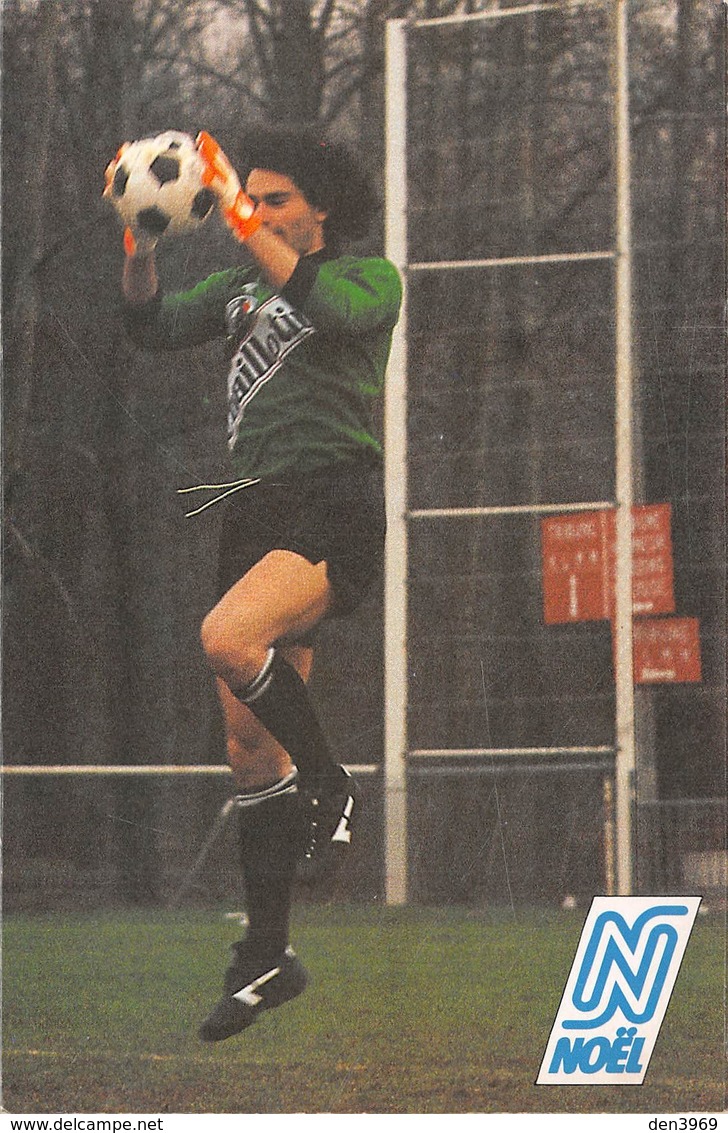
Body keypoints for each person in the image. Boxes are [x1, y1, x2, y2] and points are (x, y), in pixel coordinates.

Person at [105, 127, 402, 1042]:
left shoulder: (371, 277)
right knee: (246, 750)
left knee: (227, 638)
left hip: (332, 500)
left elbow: (324, 307)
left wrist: (239, 219)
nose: (262, 211)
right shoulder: (236, 289)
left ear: (324, 211)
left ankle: (335, 786)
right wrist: (139, 248)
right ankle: (268, 954)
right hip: (253, 510)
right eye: (255, 198)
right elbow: (148, 327)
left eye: (278, 200)